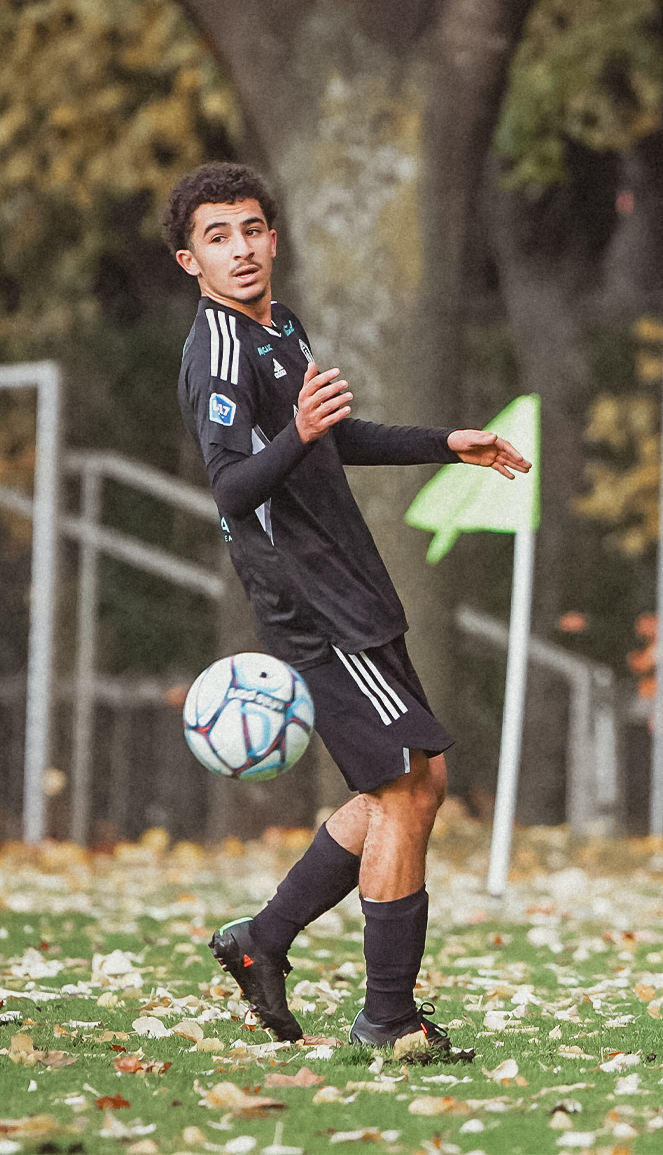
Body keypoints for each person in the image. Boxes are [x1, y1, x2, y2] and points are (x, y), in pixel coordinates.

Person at [167, 162, 530, 1060]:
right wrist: (300, 433)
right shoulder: (217, 350)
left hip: (352, 586)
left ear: (274, 238)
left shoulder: (280, 327)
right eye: (218, 237)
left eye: (251, 229)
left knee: (415, 784)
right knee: (408, 788)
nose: (240, 249)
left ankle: (263, 939)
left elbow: (329, 443)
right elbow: (232, 483)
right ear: (190, 261)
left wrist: (448, 444)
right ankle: (389, 1018)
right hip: (311, 600)